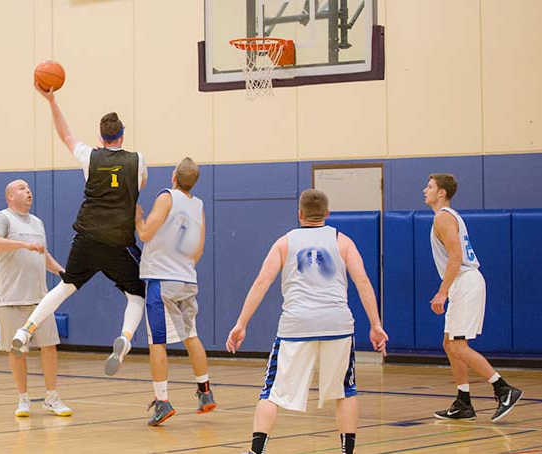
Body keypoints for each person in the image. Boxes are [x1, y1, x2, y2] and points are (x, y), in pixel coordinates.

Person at [226, 189, 388, 454]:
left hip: (296, 325)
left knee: (271, 391)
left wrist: (241, 323)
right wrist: (375, 324)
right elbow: (363, 283)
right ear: (327, 214)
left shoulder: (284, 242)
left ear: (299, 213)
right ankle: (348, 451)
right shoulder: (343, 241)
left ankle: (256, 451)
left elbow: (261, 283)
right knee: (345, 390)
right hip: (337, 324)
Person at [11, 84, 147, 374]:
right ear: (122, 134)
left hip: (87, 237)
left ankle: (26, 329)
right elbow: (140, 186)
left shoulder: (89, 156)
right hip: (119, 242)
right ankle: (125, 338)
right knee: (137, 295)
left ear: (101, 137)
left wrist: (51, 101)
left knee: (66, 286)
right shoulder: (138, 161)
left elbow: (66, 135)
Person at [424, 173, 523, 422]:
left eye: (430, 187)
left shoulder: (444, 218)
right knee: (450, 344)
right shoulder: (447, 217)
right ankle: (463, 402)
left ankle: (503, 389)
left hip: (465, 281)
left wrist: (442, 291)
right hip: (462, 282)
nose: (425, 190)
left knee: (458, 345)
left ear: (442, 193)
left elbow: (456, 257)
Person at [135, 157, 215, 426]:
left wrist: (137, 218)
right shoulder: (199, 205)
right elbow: (199, 249)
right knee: (191, 335)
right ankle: (204, 391)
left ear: (173, 177)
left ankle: (162, 402)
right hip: (187, 279)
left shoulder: (166, 197)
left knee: (157, 342)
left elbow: (145, 233)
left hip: (162, 280)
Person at [0, 179, 72, 417]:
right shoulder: (1, 218)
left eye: (29, 188)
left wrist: (62, 272)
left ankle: (52, 397)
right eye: (22, 188)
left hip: (39, 298)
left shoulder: (37, 223)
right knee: (18, 351)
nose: (28, 191)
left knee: (49, 347)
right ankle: (23, 399)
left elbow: (42, 254)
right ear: (10, 197)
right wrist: (23, 244)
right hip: (9, 297)